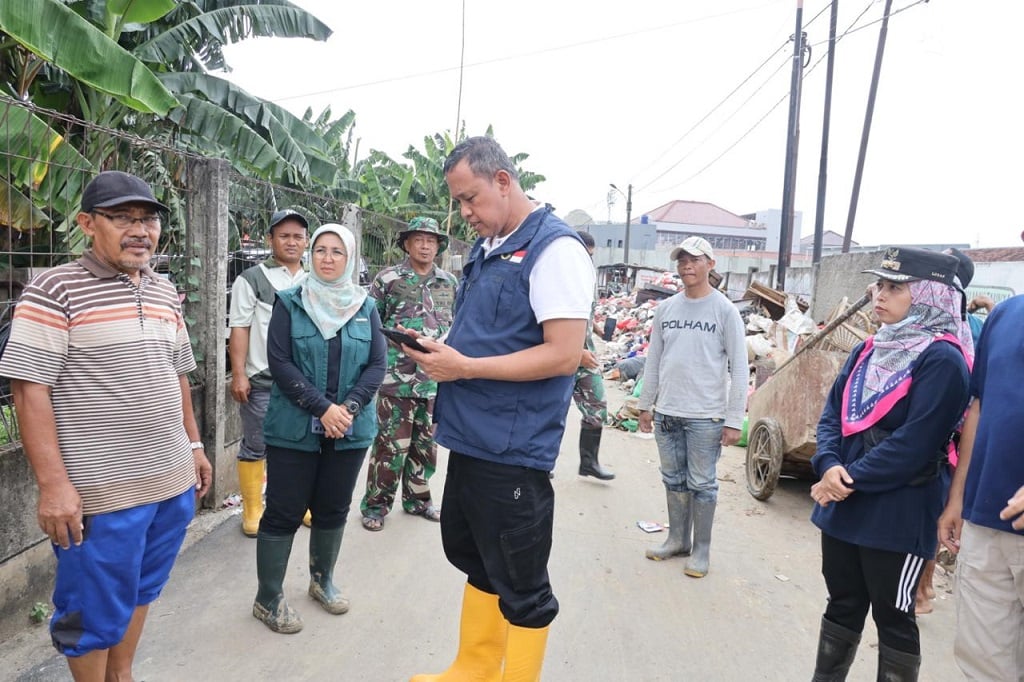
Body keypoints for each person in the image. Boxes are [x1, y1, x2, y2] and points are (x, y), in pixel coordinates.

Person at [0, 171, 212, 681]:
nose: (140, 230)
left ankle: (122, 674)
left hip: (170, 481)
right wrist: (53, 486)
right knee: (90, 611)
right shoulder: (54, 289)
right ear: (87, 224)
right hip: (102, 496)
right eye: (122, 218)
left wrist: (197, 445)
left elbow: (177, 373)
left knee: (142, 588)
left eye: (148, 219)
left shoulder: (163, 289)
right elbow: (30, 388)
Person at [404, 136, 593, 681]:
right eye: (459, 203)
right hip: (470, 435)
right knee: (478, 557)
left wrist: (464, 367)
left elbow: (561, 355)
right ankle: (475, 667)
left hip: (511, 447)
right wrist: (440, 355)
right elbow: (490, 336)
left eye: (470, 199)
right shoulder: (488, 249)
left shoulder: (554, 250)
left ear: (504, 181)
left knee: (521, 580)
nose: (465, 214)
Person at [808, 247, 971, 680]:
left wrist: (844, 479)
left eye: (894, 287)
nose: (879, 294)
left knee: (894, 618)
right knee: (841, 602)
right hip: (844, 503)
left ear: (929, 296)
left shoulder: (943, 360)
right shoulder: (868, 348)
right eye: (880, 284)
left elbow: (915, 444)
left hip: (897, 513)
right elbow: (831, 416)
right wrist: (826, 464)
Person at [251, 224, 386, 634]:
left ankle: (321, 580)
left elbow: (377, 365)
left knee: (332, 507)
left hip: (349, 427)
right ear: (310, 255)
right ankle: (267, 597)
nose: (327, 258)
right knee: (284, 511)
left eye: (337, 252)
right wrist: (322, 408)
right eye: (321, 250)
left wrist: (346, 409)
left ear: (350, 259)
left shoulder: (366, 306)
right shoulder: (290, 302)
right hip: (294, 426)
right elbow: (281, 363)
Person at [638, 236, 748, 578]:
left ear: (710, 265)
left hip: (706, 416)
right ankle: (676, 539)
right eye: (682, 259)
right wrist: (645, 404)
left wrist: (734, 420)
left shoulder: (725, 311)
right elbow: (653, 360)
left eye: (695, 259)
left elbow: (740, 369)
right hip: (668, 412)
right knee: (673, 479)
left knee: (702, 483)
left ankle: (701, 549)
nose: (687, 265)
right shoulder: (666, 309)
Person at [937, 294, 1024, 680]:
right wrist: (958, 497)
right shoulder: (1006, 314)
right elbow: (980, 406)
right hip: (985, 520)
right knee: (984, 665)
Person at [359, 216, 457, 531]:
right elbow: (370, 325)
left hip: (433, 380)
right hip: (395, 379)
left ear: (439, 245)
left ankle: (418, 500)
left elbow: (455, 326)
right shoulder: (387, 279)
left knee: (425, 446)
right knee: (389, 447)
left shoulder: (450, 283)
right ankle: (375, 506)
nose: (426, 245)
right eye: (419, 239)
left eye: (431, 240)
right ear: (407, 244)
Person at [228, 209, 308, 537]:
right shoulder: (252, 279)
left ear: (306, 241)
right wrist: (239, 374)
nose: (291, 242)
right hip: (262, 378)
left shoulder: (315, 278)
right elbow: (240, 327)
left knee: (302, 444)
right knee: (257, 443)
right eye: (284, 235)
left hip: (306, 381)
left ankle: (297, 503)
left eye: (298, 236)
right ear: (270, 240)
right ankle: (252, 508)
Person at [571, 230, 614, 480]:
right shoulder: (559, 278)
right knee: (551, 414)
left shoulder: (587, 278)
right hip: (562, 358)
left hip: (586, 357)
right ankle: (541, 465)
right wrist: (576, 354)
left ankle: (589, 462)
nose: (588, 260)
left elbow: (585, 315)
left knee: (597, 409)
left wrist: (598, 329)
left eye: (591, 256)